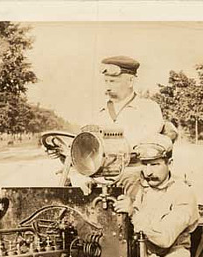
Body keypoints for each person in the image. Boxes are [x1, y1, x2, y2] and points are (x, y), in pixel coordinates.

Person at [69, 55, 178, 194]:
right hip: (97, 173)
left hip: (134, 171)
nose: (108, 86)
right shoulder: (95, 111)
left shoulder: (148, 109)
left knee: (133, 182)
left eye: (113, 81)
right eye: (106, 81)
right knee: (68, 184)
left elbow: (145, 145)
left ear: (130, 81)